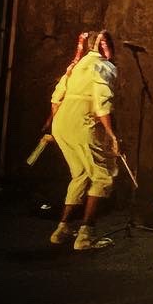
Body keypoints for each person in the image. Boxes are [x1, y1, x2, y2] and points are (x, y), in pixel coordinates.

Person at [48, 30, 120, 251]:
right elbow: (102, 103)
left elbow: (56, 99)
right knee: (102, 175)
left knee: (80, 174)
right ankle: (85, 235)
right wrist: (112, 135)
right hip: (83, 124)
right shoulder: (103, 66)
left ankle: (62, 229)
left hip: (62, 124)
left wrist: (56, 125)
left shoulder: (75, 66)